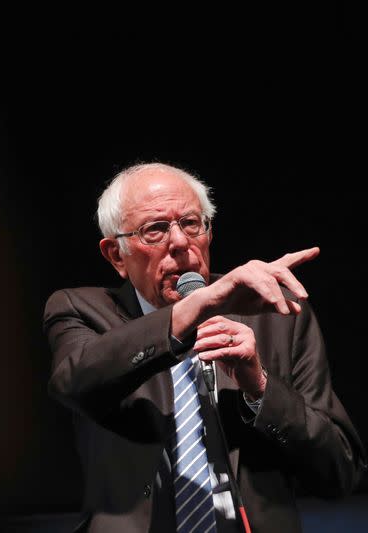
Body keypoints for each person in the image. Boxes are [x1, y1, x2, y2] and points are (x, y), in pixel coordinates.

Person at [43, 163, 365, 532]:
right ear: (116, 254)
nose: (180, 243)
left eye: (192, 224)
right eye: (156, 229)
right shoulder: (81, 310)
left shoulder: (278, 312)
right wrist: (197, 307)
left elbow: (341, 472)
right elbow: (75, 382)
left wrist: (260, 388)